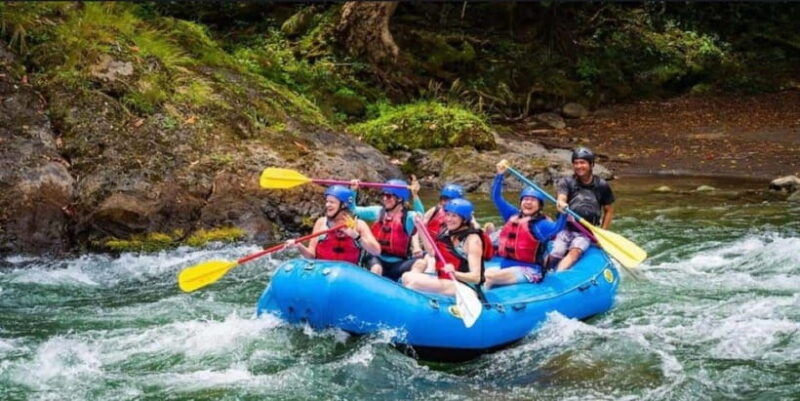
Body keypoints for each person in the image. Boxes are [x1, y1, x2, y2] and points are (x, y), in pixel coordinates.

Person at [483, 162, 567, 289]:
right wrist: (500, 175)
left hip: (530, 270)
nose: (528, 202)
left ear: (539, 206)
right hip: (507, 265)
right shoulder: (512, 215)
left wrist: (563, 213)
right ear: (521, 202)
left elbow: (557, 228)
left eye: (533, 200)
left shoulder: (541, 224)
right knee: (483, 273)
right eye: (525, 199)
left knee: (489, 277)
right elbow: (496, 198)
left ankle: (482, 305)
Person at [401, 199, 486, 296]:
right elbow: (432, 252)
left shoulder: (472, 240)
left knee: (414, 284)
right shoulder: (447, 232)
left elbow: (475, 277)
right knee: (406, 276)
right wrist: (420, 227)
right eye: (448, 214)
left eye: (454, 216)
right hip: (447, 281)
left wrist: (455, 273)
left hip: (465, 286)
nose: (449, 219)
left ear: (465, 219)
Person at [550, 147, 615, 271]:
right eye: (576, 163)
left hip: (586, 232)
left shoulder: (602, 185)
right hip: (565, 228)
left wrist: (603, 235)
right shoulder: (566, 182)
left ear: (591, 165)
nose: (579, 166)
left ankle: (557, 275)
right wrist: (561, 204)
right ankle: (543, 273)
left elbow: (609, 210)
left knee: (574, 252)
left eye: (582, 163)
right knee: (557, 251)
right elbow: (561, 198)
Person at [351, 177, 425, 281]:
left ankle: (410, 288)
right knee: (376, 268)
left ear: (399, 199)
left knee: (421, 263)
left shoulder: (408, 217)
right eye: (383, 195)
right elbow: (353, 210)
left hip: (398, 263)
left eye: (389, 196)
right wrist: (353, 190)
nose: (385, 198)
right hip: (377, 258)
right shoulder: (377, 212)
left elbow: (421, 217)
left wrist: (415, 195)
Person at [286, 185, 381, 264]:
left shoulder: (359, 225)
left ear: (343, 205)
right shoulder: (321, 223)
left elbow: (376, 251)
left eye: (331, 202)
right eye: (327, 202)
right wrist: (299, 246)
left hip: (348, 277)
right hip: (323, 272)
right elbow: (311, 256)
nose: (327, 205)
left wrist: (355, 236)